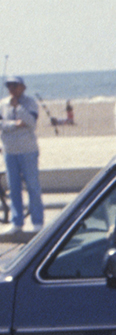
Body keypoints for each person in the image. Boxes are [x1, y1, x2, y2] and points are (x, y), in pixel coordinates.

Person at [1, 76, 43, 235]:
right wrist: (14, 125)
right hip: (10, 151)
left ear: (22, 87)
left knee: (33, 186)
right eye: (9, 85)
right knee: (14, 188)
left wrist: (18, 108)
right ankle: (16, 222)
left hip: (28, 150)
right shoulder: (2, 104)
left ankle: (37, 221)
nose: (11, 89)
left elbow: (31, 122)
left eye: (14, 85)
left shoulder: (30, 103)